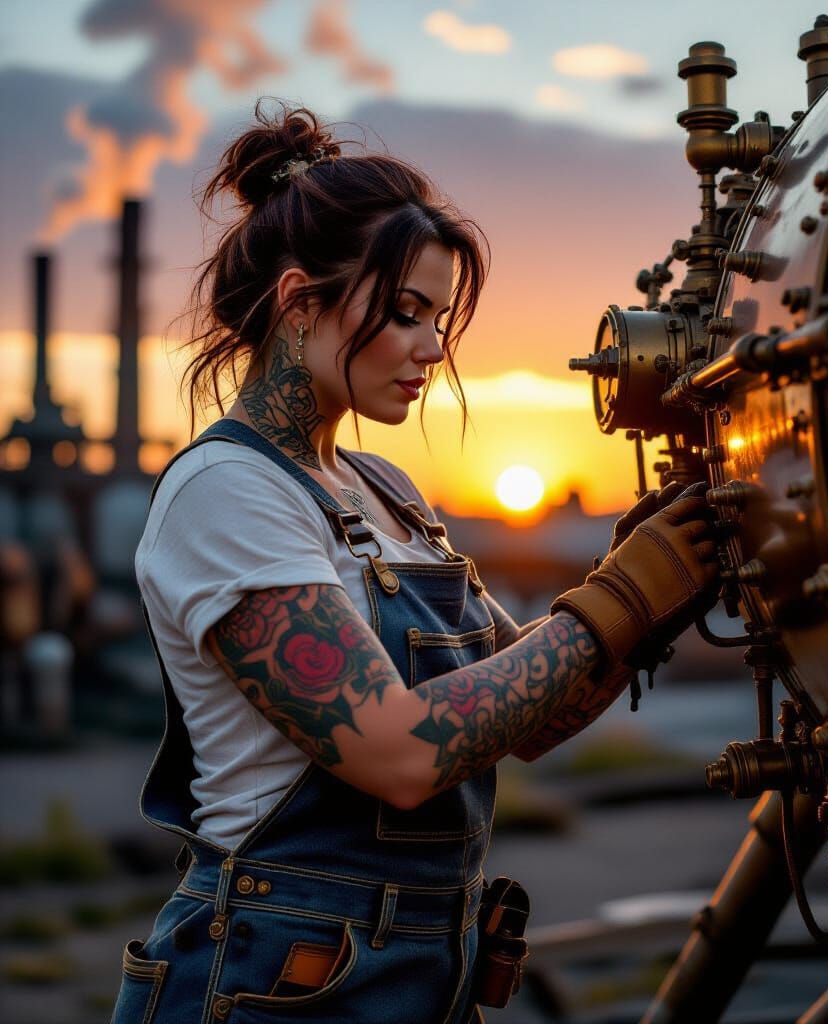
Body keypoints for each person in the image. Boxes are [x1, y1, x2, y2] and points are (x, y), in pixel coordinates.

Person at [111, 102, 719, 1024]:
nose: (433, 347)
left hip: (422, 976)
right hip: (281, 985)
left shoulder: (385, 488)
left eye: (438, 317)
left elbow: (527, 720)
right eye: (405, 313)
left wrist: (659, 587)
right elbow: (395, 751)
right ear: (298, 302)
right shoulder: (227, 491)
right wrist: (619, 597)